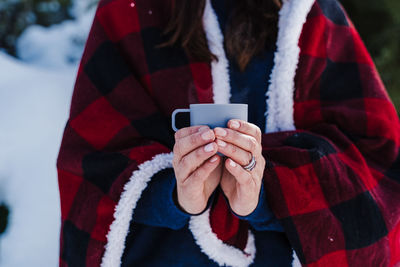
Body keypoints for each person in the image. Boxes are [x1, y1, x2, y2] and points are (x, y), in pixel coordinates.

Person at [57, 0, 400, 266]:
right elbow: (91, 164)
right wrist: (174, 194)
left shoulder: (310, 12)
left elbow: (375, 158)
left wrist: (268, 189)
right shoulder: (129, 10)